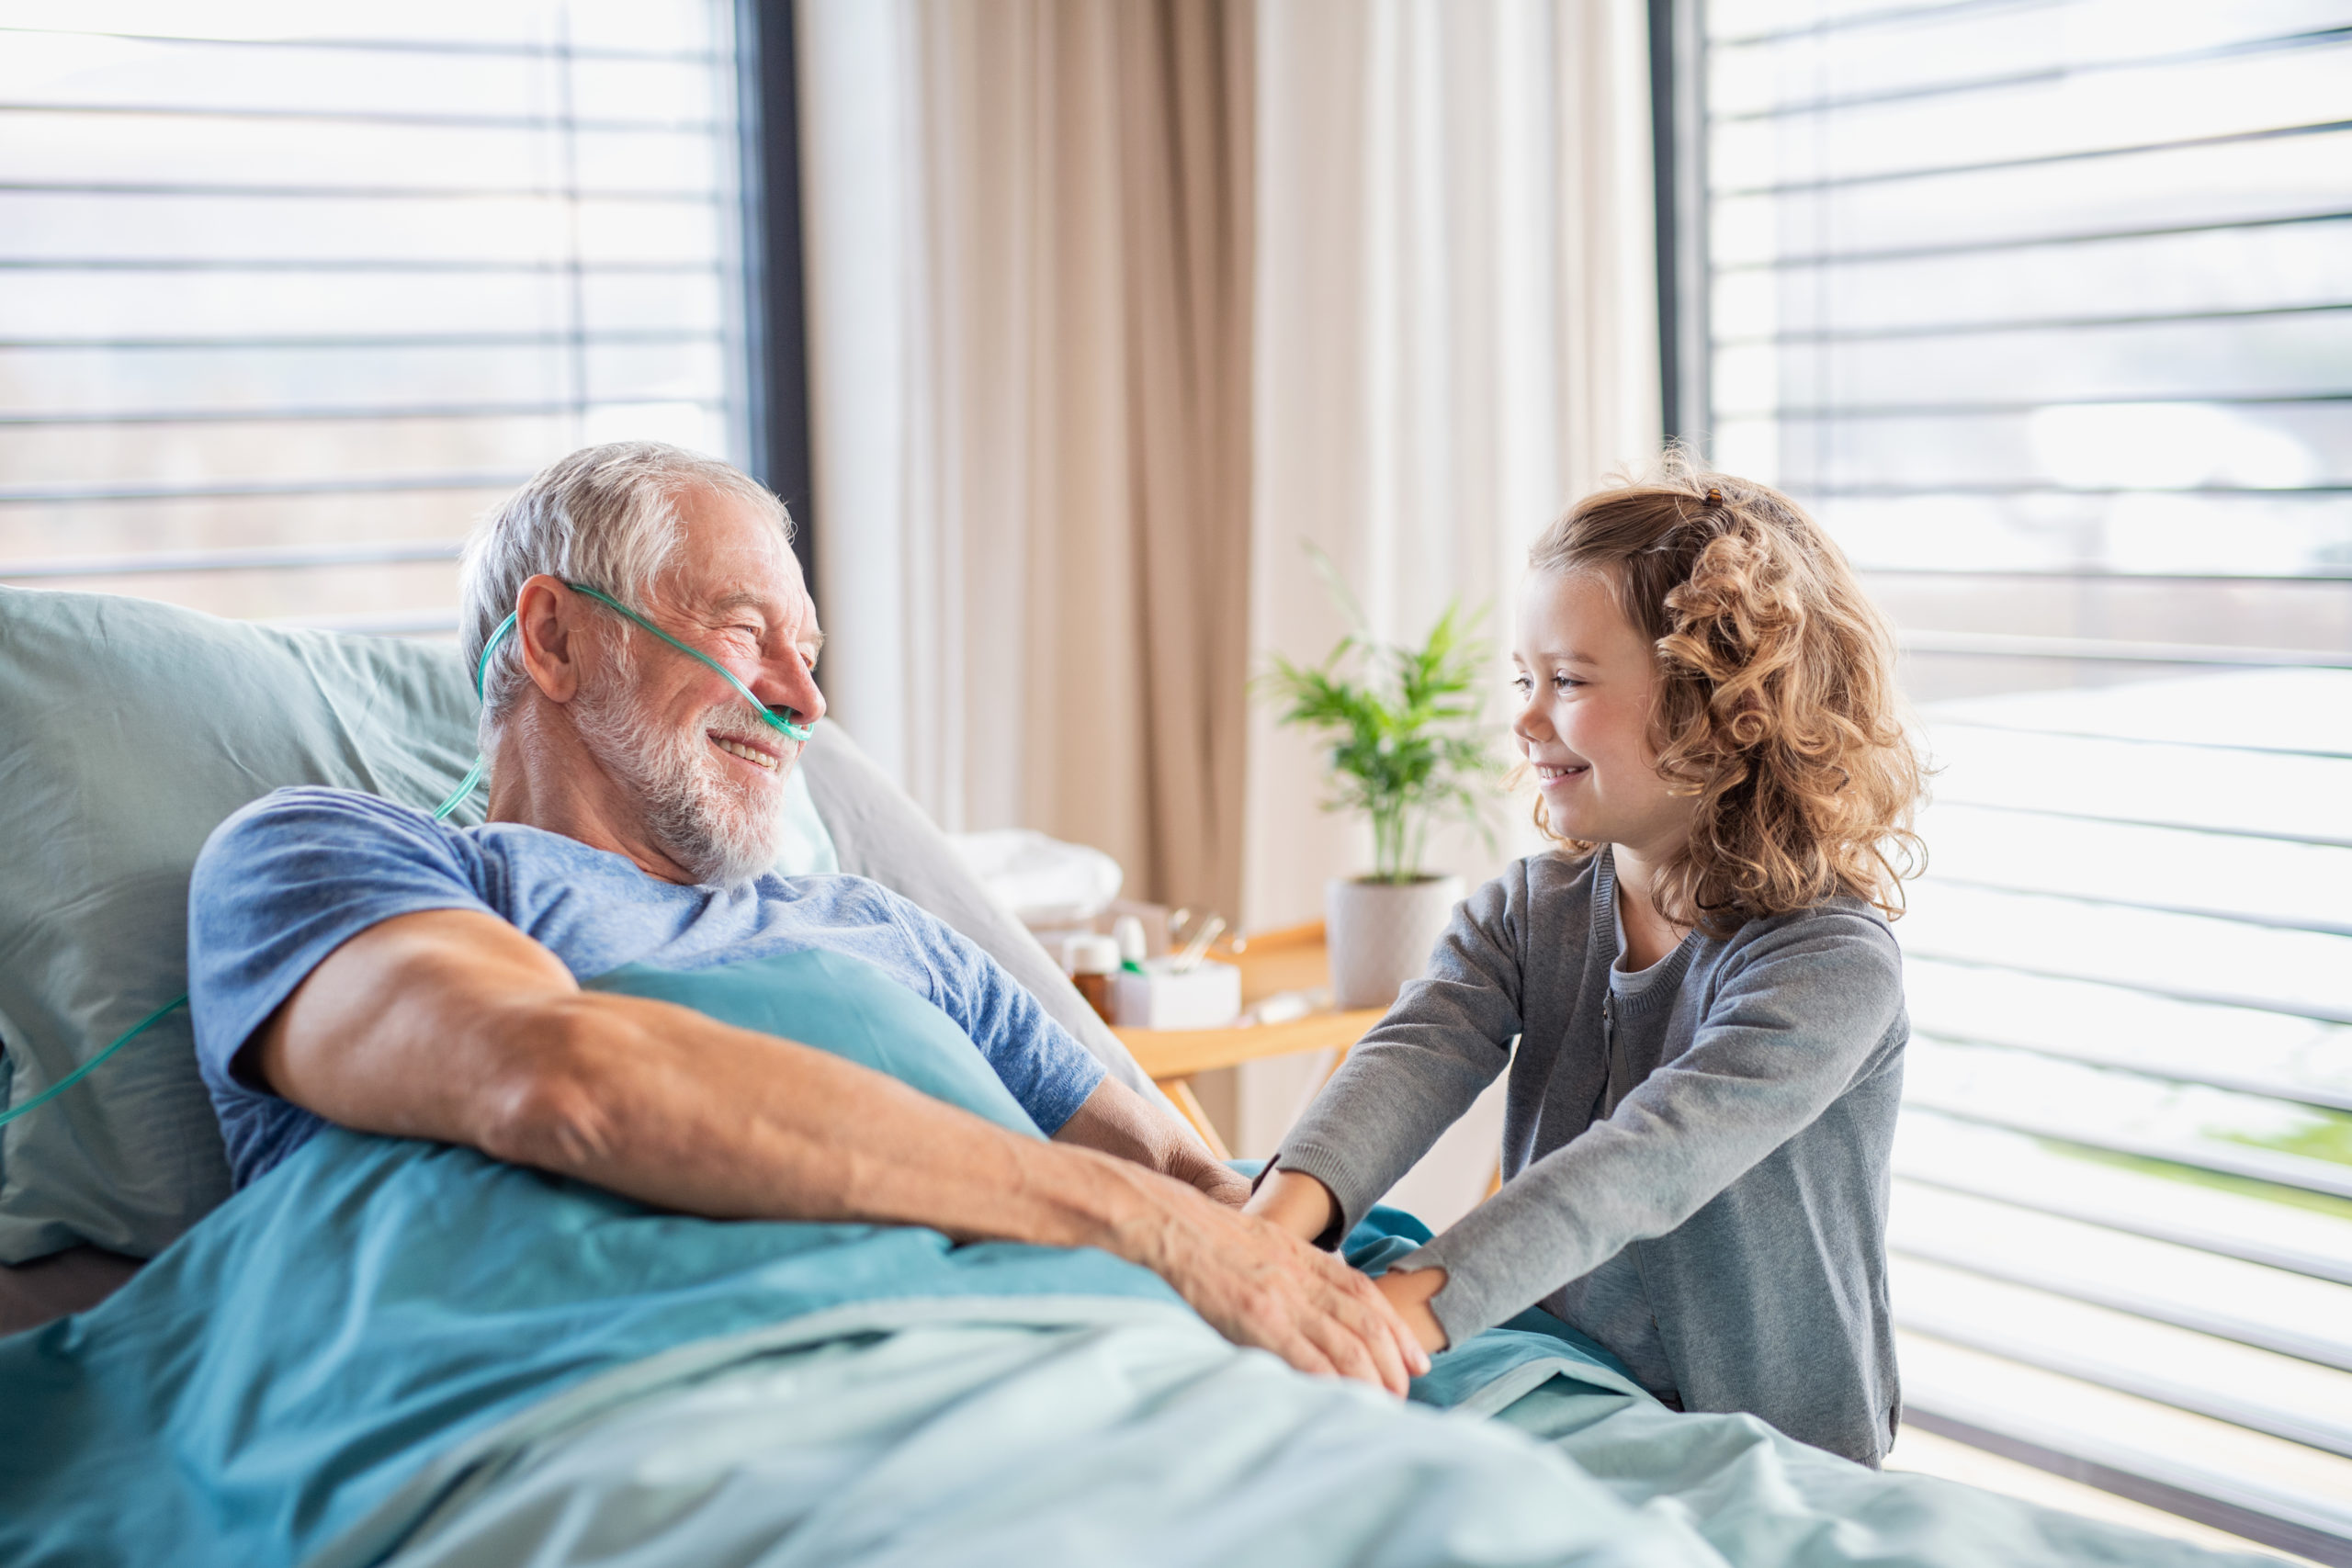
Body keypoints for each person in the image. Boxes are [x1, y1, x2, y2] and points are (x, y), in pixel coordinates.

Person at [187, 441, 1427, 1395]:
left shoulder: (881, 929)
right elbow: (549, 1071)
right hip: (671, 1389)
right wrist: (1136, 1222)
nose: (804, 700)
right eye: (745, 633)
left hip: (1053, 1361)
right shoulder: (332, 857)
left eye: (810, 650)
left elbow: (1186, 1176)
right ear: (556, 638)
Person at [1246, 456, 1926, 1464]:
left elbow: (1639, 1165)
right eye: (1524, 679)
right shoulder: (1531, 911)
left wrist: (1381, 1329)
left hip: (1766, 1444)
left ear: (1720, 704)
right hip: (1569, 1392)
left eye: (1565, 681)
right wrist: (1257, 1246)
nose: (1524, 719)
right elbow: (1408, 1060)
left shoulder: (1827, 966)